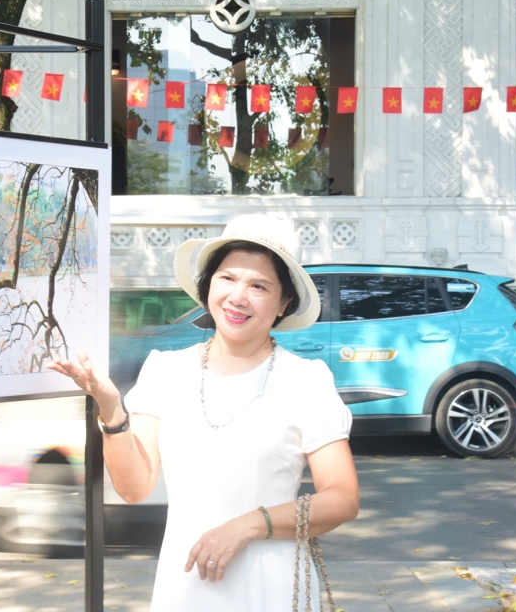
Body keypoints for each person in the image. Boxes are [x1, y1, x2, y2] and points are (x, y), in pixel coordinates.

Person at [48, 215, 359, 611]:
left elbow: (343, 498)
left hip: (271, 584)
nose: (238, 297)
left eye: (259, 286)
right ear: (208, 284)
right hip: (186, 583)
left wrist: (247, 526)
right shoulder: (165, 369)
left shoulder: (305, 379)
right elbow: (135, 487)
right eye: (227, 278)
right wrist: (112, 411)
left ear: (283, 304)